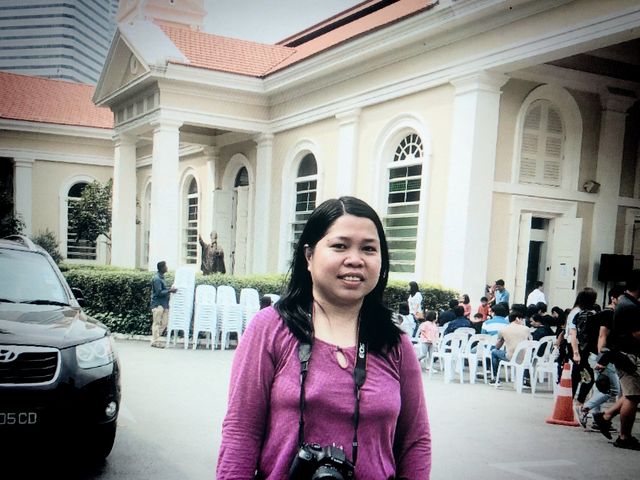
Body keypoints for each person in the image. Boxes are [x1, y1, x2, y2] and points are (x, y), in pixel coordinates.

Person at [217, 196, 431, 478]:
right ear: (309, 256)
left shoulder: (395, 343)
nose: (355, 260)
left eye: (368, 249)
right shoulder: (270, 329)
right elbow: (241, 431)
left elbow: (415, 442)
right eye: (339, 246)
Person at [592, 270, 640, 450]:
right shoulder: (630, 306)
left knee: (634, 393)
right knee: (633, 396)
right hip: (629, 355)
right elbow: (636, 334)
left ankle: (606, 416)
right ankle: (624, 436)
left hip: (625, 354)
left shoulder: (627, 303)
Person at [490, 311, 530, 384]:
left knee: (494, 352)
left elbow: (498, 346)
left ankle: (495, 378)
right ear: (517, 319)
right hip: (525, 357)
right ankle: (526, 379)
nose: (523, 321)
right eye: (522, 319)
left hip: (511, 357)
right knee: (525, 354)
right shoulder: (526, 329)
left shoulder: (503, 330)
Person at [149, 261, 177, 348]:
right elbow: (158, 293)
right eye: (165, 266)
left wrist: (169, 289)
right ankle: (156, 341)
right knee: (157, 323)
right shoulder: (157, 279)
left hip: (164, 304)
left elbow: (163, 289)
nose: (167, 268)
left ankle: (155, 339)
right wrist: (170, 291)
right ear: (162, 268)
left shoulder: (161, 277)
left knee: (165, 323)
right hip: (158, 304)